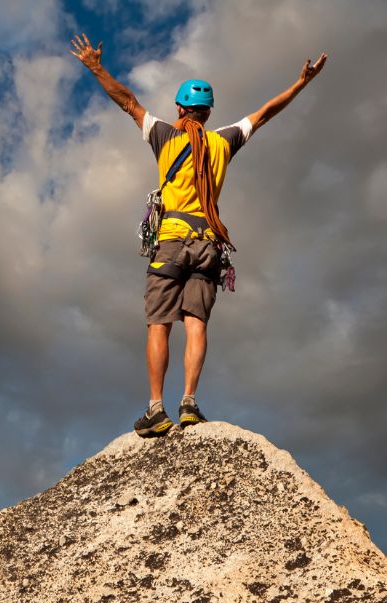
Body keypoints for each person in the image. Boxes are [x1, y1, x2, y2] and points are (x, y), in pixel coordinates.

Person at [69, 33, 326, 437]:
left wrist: (97, 68)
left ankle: (156, 408)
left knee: (159, 324)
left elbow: (128, 102)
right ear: (207, 113)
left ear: (180, 108)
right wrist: (301, 84)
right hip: (209, 244)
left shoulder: (165, 137)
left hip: (171, 239)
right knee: (196, 324)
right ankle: (188, 402)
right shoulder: (222, 141)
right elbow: (263, 114)